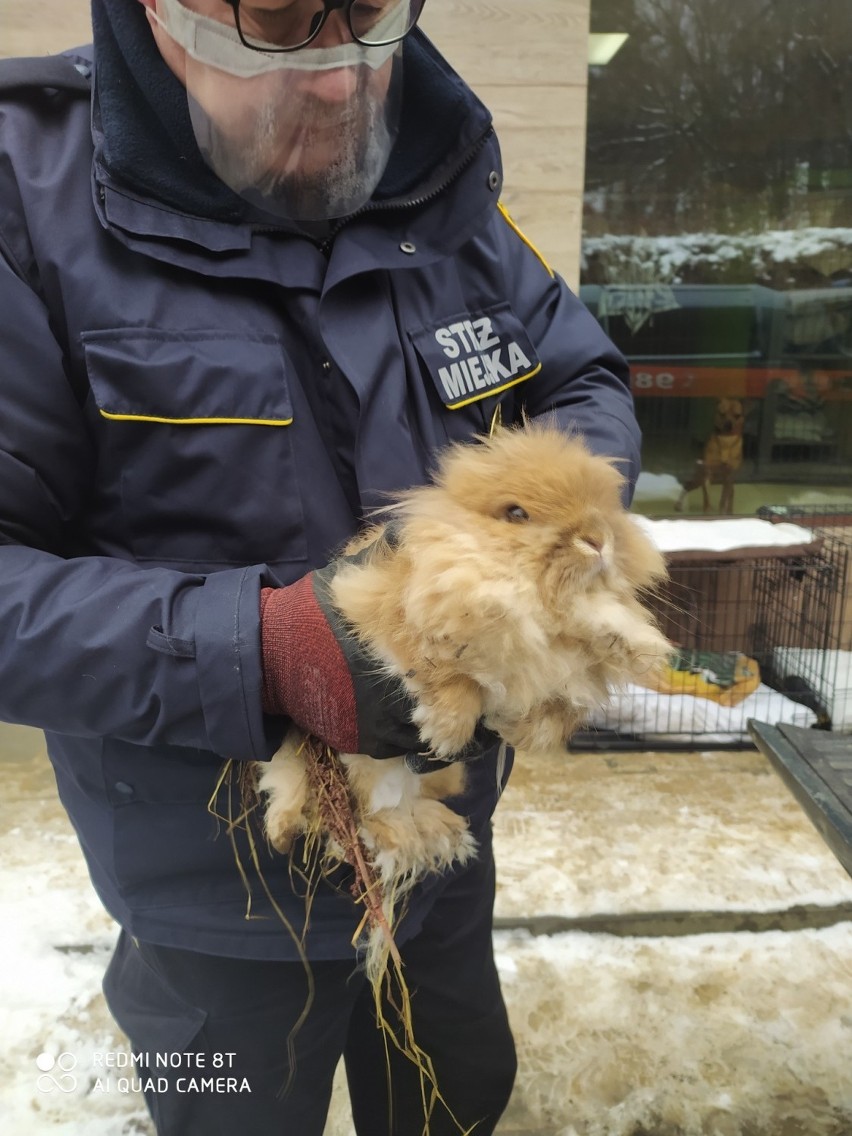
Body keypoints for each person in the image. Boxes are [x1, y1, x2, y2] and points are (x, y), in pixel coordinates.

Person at [0, 1, 641, 1133]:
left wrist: (538, 530)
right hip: (211, 885)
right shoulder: (26, 197)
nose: (346, 78)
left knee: (457, 1096)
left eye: (370, 11)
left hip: (441, 830)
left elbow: (584, 385)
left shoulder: (444, 188)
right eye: (282, 20)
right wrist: (265, 648)